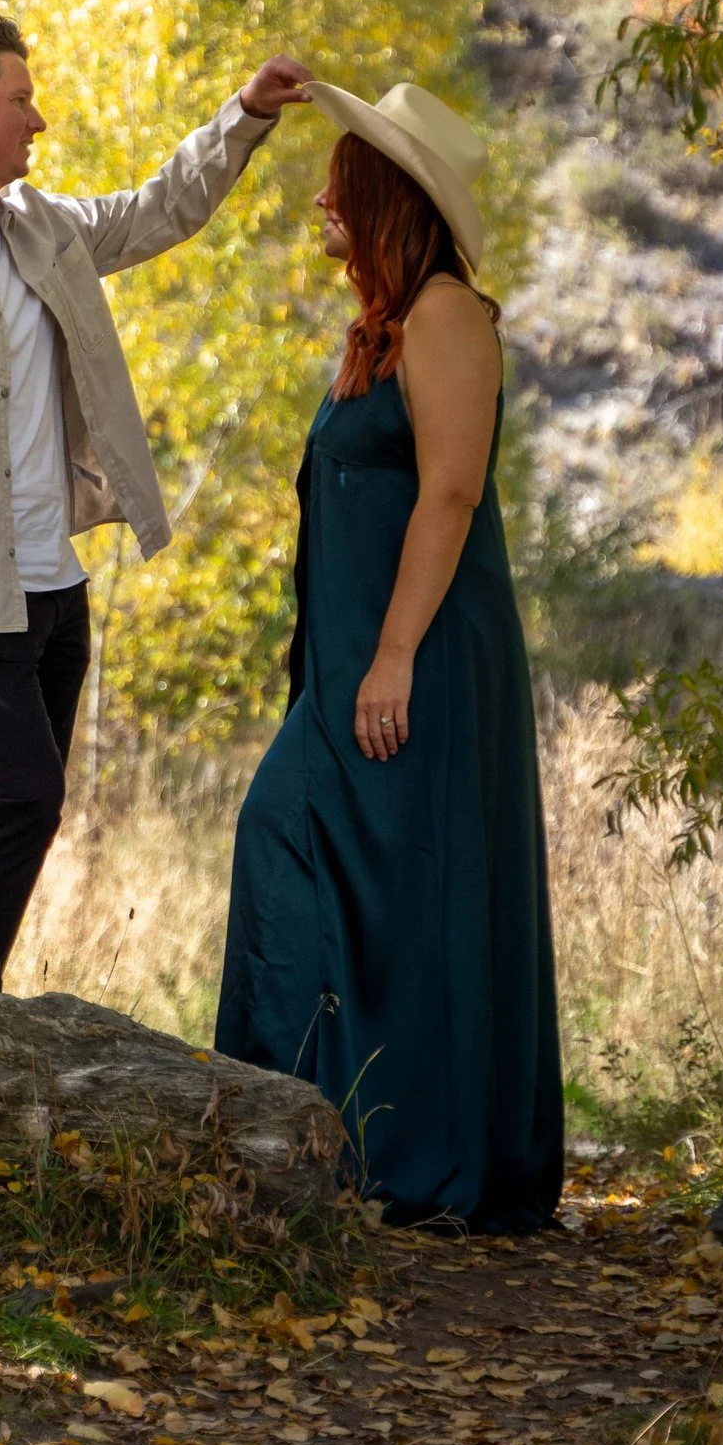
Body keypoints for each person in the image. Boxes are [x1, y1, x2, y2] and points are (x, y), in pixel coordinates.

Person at [0, 13, 312, 1110]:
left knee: (3, 811)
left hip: (53, 592)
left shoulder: (41, 230)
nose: (38, 117)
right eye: (19, 98)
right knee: (19, 802)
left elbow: (155, 210)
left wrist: (244, 119)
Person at [214, 78, 564, 1232]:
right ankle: (318, 1144)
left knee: (402, 882)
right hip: (351, 667)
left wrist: (395, 653)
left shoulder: (449, 316)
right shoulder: (378, 332)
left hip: (421, 662)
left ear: (384, 198)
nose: (319, 199)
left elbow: (452, 491)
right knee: (314, 864)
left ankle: (418, 1157)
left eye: (339, 181)